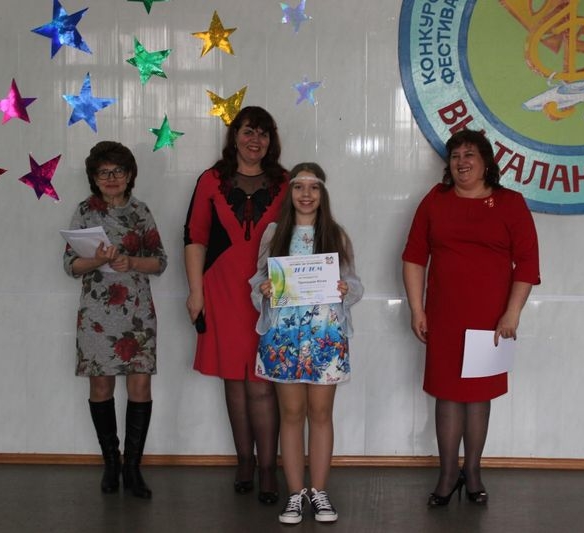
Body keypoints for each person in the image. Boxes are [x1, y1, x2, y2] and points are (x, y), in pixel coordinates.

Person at [402, 129, 540, 508]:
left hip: (491, 320)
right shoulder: (435, 200)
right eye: (455, 156)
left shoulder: (510, 203)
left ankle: (473, 472)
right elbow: (414, 256)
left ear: (486, 162)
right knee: (447, 395)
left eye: (469, 155)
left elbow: (528, 264)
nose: (461, 162)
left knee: (478, 397)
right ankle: (448, 475)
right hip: (444, 316)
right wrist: (417, 308)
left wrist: (512, 313)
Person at [184, 106, 288, 504]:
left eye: (263, 133)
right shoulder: (211, 180)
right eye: (248, 131)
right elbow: (195, 237)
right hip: (222, 291)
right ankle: (245, 461)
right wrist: (196, 293)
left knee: (261, 383)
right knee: (233, 381)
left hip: (269, 292)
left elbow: (302, 236)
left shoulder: (285, 182)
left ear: (271, 140)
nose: (255, 140)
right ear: (235, 137)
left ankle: (268, 468)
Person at [249, 162, 364, 525]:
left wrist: (345, 289)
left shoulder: (335, 235)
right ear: (290, 193)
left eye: (313, 188)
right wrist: (263, 289)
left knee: (321, 414)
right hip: (284, 337)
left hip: (324, 336)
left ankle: (319, 491)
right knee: (292, 415)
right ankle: (295, 494)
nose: (306, 194)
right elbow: (257, 281)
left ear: (322, 193)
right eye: (299, 187)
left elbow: (354, 284)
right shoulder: (274, 233)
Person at [63, 141, 168, 499]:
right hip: (96, 314)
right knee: (100, 388)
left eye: (118, 171)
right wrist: (97, 260)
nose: (111, 178)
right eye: (103, 172)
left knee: (140, 388)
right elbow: (70, 265)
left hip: (137, 311)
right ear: (93, 177)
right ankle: (111, 463)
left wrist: (131, 262)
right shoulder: (84, 211)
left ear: (130, 175)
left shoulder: (141, 211)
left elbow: (160, 261)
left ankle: (132, 469)